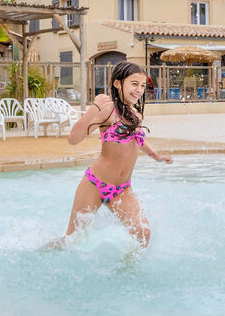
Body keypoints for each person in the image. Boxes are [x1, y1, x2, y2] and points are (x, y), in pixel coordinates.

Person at [54, 60, 172, 248]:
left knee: (143, 233)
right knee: (72, 238)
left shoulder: (135, 114)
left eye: (142, 85)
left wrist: (155, 156)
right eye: (134, 84)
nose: (139, 90)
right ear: (118, 83)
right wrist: (94, 108)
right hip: (95, 184)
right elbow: (73, 139)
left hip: (122, 189)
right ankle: (44, 253)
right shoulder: (108, 110)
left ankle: (124, 273)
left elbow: (138, 139)